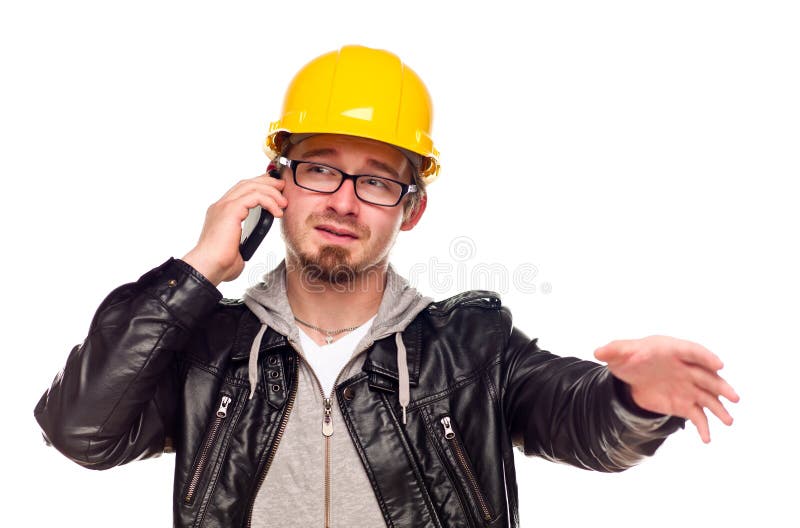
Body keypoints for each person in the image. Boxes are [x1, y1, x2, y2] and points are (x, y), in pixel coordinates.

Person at [33, 45, 739, 528]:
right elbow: (80, 431)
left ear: (412, 207)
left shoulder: (470, 349)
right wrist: (195, 272)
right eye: (319, 168)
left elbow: (583, 422)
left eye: (375, 179)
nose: (343, 200)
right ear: (278, 183)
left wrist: (635, 398)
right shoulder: (210, 348)